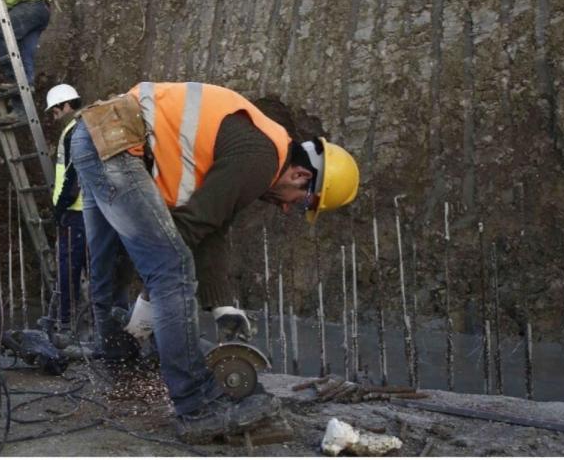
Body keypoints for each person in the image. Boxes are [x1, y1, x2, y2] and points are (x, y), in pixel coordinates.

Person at [69, 82, 359, 443]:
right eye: (302, 202)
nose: (288, 208)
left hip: (96, 133)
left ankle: (117, 352)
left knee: (109, 262)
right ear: (302, 175)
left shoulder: (259, 148)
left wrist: (222, 305)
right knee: (173, 267)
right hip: (119, 145)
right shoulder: (263, 157)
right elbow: (189, 231)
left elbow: (213, 223)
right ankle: (197, 405)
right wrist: (148, 301)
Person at [46, 84, 87, 331]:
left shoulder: (74, 132)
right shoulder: (84, 127)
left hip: (75, 213)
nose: (53, 116)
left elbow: (73, 177)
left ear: (66, 105)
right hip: (87, 212)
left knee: (68, 269)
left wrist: (60, 208)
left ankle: (65, 323)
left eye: (54, 110)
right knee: (93, 270)